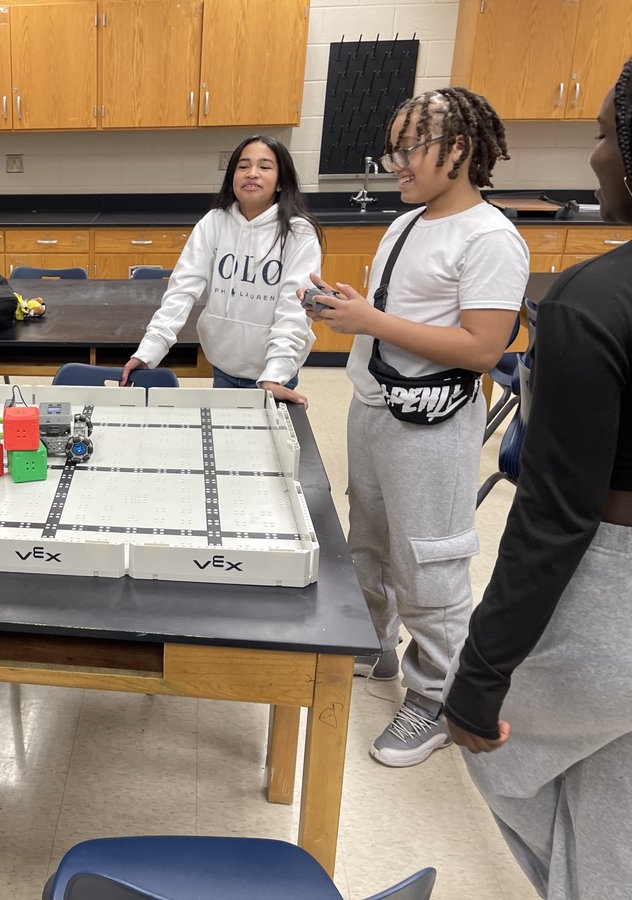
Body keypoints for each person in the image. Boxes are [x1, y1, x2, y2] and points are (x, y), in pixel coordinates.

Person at [444, 57, 632, 898]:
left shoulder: (591, 302)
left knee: (503, 752)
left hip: (612, 602)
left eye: (600, 134)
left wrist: (478, 678)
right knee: (613, 814)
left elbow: (556, 517)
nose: (593, 156)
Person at [308, 88, 529, 767]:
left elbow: (484, 348)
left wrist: (371, 323)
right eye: (393, 149)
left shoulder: (491, 237)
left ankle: (434, 698)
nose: (394, 164)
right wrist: (354, 308)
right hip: (376, 406)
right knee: (369, 539)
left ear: (457, 151)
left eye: (408, 150)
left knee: (429, 558)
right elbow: (401, 315)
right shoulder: (410, 222)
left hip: (432, 424)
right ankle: (371, 646)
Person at [121, 135, 322, 406]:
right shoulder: (213, 223)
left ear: (281, 181)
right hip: (223, 368)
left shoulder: (299, 233)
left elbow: (294, 311)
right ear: (232, 176)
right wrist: (149, 351)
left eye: (265, 167)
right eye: (243, 166)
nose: (252, 173)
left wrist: (275, 373)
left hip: (272, 377)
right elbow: (181, 291)